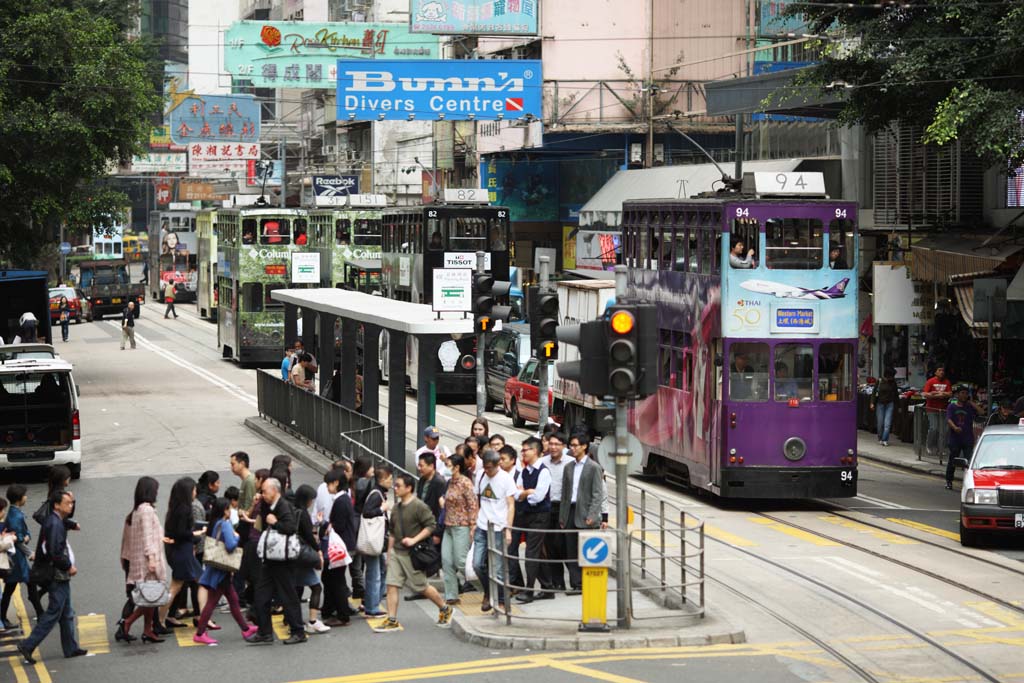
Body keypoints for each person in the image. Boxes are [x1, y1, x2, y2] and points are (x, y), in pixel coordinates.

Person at [372, 473, 452, 633]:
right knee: (391, 585)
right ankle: (392, 619)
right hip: (397, 552)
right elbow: (393, 532)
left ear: (409, 488)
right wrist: (389, 553)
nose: (395, 488)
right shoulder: (396, 508)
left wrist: (414, 540)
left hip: (412, 554)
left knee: (421, 586)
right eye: (395, 485)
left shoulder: (419, 506)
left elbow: (431, 526)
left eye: (399, 485)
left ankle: (444, 608)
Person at [17, 490, 87, 663]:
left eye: (72, 502)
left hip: (58, 574)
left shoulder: (56, 520)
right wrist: (68, 566)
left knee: (67, 612)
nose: (71, 506)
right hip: (57, 574)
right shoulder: (55, 524)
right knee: (54, 612)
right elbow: (55, 552)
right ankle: (28, 645)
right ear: (56, 505)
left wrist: (71, 519)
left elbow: (65, 522)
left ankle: (70, 647)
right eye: (68, 503)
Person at [246, 478, 306, 645]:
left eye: (265, 491)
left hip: (282, 560)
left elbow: (290, 527)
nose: (263, 494)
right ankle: (264, 632)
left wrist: (276, 523)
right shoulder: (269, 505)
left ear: (275, 491)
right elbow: (264, 519)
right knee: (261, 595)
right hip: (271, 558)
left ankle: (298, 631)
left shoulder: (284, 506)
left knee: (288, 596)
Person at [193, 497, 258, 645]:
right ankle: (200, 633)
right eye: (229, 509)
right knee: (212, 601)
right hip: (222, 569)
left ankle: (246, 628)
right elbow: (230, 545)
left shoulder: (215, 523)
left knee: (233, 599)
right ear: (225, 510)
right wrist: (237, 537)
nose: (231, 511)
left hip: (217, 567)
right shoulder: (225, 524)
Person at [472, 450, 517, 613]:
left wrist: (508, 529)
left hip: (498, 528)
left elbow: (511, 505)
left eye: (490, 468)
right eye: (485, 467)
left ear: (498, 465)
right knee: (477, 564)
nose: (487, 471)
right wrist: (474, 523)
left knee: (497, 568)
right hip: (482, 525)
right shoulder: (480, 475)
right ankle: (488, 592)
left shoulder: (506, 479)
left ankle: (501, 601)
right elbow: (477, 499)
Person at [559, 433, 604, 593]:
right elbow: (565, 493)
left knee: (585, 550)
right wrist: (563, 516)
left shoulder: (594, 467)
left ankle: (587, 583)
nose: (572, 448)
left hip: (585, 513)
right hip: (570, 511)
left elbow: (598, 494)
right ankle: (576, 584)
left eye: (575, 445)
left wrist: (592, 515)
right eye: (571, 445)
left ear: (584, 446)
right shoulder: (568, 467)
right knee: (570, 550)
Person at [514, 436, 553, 603]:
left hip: (540, 516)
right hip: (526, 515)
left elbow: (538, 497)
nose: (523, 453)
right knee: (537, 552)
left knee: (531, 551)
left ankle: (529, 590)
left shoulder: (543, 471)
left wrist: (527, 493)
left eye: (525, 449)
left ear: (535, 451)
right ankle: (548, 587)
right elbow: (516, 494)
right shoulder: (524, 471)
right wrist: (527, 492)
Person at [160, 478, 204, 629]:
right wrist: (196, 535)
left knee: (197, 581)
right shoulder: (185, 510)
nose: (195, 492)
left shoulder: (175, 508)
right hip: (183, 552)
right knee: (176, 587)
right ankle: (160, 620)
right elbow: (182, 533)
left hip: (179, 551)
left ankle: (169, 617)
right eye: (193, 490)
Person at [440, 453, 477, 605]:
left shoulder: (466, 483)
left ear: (457, 467)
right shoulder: (449, 482)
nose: (446, 468)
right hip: (449, 525)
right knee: (447, 561)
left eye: (448, 465)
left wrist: (473, 526)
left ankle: (486, 587)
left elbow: (473, 505)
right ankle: (451, 595)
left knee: (461, 561)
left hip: (462, 526)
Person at [292, 485, 328, 635]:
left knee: (297, 588)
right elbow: (308, 536)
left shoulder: (292, 511)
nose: (312, 502)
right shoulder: (304, 514)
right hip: (303, 557)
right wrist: (318, 550)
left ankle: (292, 618)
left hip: (292, 555)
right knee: (316, 587)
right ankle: (312, 621)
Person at [322, 470, 356, 627]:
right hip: (342, 545)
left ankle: (342, 614)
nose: (327, 487)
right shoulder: (343, 499)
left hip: (340, 546)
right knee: (332, 578)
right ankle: (331, 609)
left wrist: (328, 525)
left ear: (335, 483)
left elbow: (340, 526)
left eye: (328, 483)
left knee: (337, 580)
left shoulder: (341, 501)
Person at [540, 432, 569, 591]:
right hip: (547, 507)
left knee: (563, 544)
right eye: (551, 444)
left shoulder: (570, 463)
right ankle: (557, 582)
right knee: (550, 545)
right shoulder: (542, 462)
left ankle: (575, 579)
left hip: (565, 508)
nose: (553, 447)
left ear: (563, 446)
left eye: (557, 444)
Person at [361, 465, 391, 619]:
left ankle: (372, 602)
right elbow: (367, 513)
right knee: (375, 573)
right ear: (382, 479)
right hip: (374, 541)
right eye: (390, 479)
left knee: (381, 570)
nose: (391, 482)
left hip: (377, 541)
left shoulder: (378, 492)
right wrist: (382, 509)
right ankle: (372, 607)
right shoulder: (376, 495)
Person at [1, 485, 31, 631]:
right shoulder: (14, 517)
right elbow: (13, 540)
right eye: (2, 510)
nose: (3, 513)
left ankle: (39, 609)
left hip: (13, 559)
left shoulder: (10, 516)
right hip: (13, 560)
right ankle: (3, 617)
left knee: (29, 582)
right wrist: (16, 539)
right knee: (9, 589)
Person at [946, 385, 983, 490]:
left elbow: (981, 412)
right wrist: (955, 427)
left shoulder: (969, 407)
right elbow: (949, 419)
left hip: (967, 438)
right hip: (955, 438)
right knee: (953, 459)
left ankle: (968, 483)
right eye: (962, 393)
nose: (964, 395)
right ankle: (949, 480)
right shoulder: (952, 406)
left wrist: (971, 402)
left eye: (966, 393)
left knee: (969, 461)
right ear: (957, 395)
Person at [923, 366, 952, 458]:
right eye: (939, 370)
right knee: (934, 428)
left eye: (943, 370)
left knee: (944, 429)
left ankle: (941, 448)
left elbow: (950, 393)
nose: (941, 372)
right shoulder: (930, 381)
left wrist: (937, 394)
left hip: (943, 409)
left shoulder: (947, 382)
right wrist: (937, 395)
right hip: (931, 409)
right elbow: (925, 394)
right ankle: (929, 446)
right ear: (935, 372)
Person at [871, 368, 898, 446]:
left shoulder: (893, 383)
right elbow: (874, 392)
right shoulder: (879, 381)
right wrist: (872, 403)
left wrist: (898, 406)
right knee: (880, 423)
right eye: (892, 376)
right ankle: (880, 437)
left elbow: (896, 394)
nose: (893, 378)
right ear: (887, 375)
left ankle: (885, 439)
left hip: (890, 404)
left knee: (887, 423)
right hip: (880, 404)